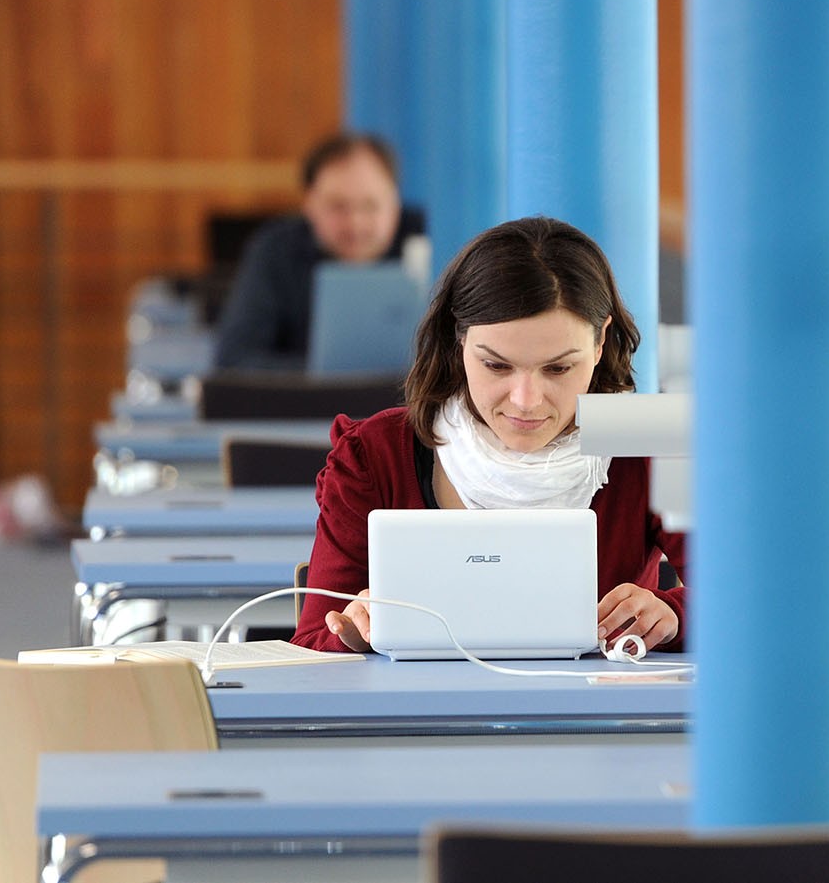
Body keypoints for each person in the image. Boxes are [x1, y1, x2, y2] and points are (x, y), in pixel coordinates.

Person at [290, 216, 685, 654]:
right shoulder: (374, 454)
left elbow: (746, 600)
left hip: (595, 720)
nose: (526, 400)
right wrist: (353, 633)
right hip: (416, 719)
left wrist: (673, 614)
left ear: (599, 343)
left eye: (558, 368)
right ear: (458, 342)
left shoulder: (651, 441)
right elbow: (311, 640)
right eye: (496, 365)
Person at [211, 132, 425, 370]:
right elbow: (235, 360)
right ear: (310, 204)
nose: (355, 223)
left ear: (395, 203)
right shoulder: (274, 249)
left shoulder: (434, 238)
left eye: (370, 205)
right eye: (338, 206)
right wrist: (326, 379)